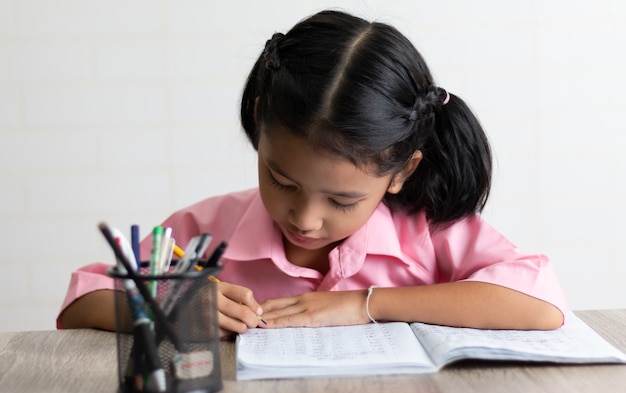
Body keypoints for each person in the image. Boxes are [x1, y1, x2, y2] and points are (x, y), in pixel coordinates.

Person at [58, 10, 567, 338]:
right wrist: (170, 304)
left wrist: (365, 306)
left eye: (343, 201)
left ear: (400, 172)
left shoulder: (429, 232)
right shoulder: (204, 231)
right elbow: (82, 300)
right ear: (259, 124)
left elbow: (540, 301)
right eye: (281, 180)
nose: (305, 217)